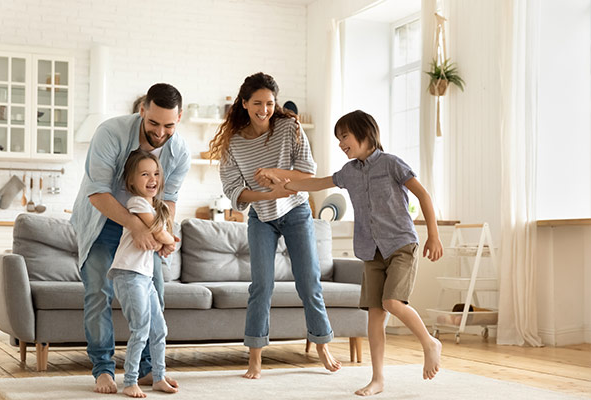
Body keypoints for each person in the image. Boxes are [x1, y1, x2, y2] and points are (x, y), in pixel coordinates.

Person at [276, 109, 444, 396]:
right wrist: (287, 185)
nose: (341, 143)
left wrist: (434, 235)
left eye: (345, 136)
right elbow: (319, 183)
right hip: (371, 251)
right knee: (374, 315)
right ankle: (377, 378)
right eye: (338, 138)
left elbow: (423, 195)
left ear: (365, 133)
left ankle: (429, 342)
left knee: (392, 302)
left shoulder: (391, 164)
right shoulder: (349, 173)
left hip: (401, 245)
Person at [207, 72, 342, 380]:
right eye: (257, 103)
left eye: (270, 103)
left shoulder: (289, 127)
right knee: (261, 286)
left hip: (296, 212)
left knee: (309, 282)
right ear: (244, 103)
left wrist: (273, 173)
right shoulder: (233, 142)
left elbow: (308, 170)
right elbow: (233, 190)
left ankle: (322, 345)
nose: (264, 110)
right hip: (261, 217)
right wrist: (269, 192)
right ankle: (255, 358)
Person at [71, 83, 190, 394]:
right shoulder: (110, 133)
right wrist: (136, 227)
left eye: (169, 125)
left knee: (155, 297)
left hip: (147, 224)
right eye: (153, 123)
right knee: (99, 293)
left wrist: (163, 233)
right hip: (103, 220)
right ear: (142, 111)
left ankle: (149, 370)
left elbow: (170, 200)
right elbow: (98, 192)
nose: (160, 132)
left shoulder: (179, 151)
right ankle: (103, 370)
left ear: (180, 118)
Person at [109, 149, 178, 398]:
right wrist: (168, 241)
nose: (152, 179)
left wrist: (166, 241)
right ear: (132, 182)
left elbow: (160, 236)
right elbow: (160, 233)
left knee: (159, 329)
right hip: (128, 274)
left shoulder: (154, 206)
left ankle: (158, 376)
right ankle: (130, 381)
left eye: (156, 173)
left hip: (144, 277)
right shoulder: (136, 202)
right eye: (145, 174)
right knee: (141, 329)